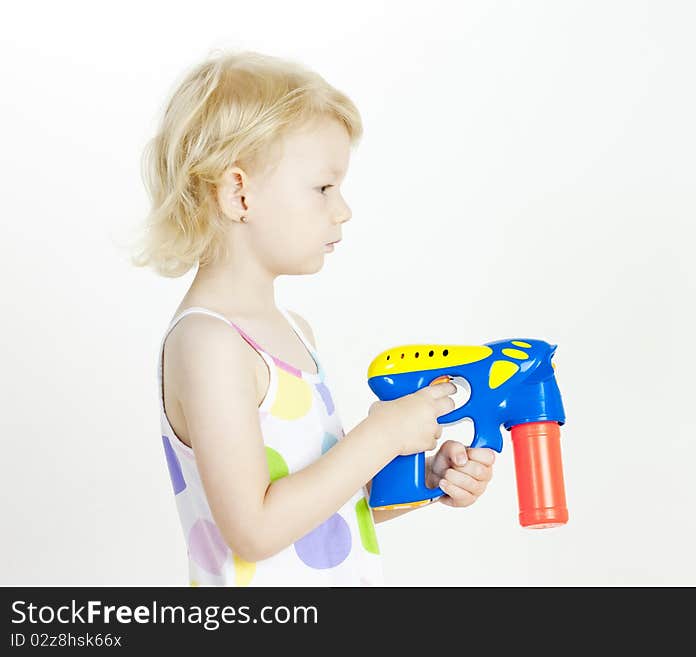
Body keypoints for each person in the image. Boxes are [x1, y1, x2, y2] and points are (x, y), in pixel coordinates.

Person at [130, 50, 496, 586]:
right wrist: (379, 436)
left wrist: (418, 481)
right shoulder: (208, 343)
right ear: (239, 193)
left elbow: (324, 512)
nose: (343, 208)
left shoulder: (295, 330)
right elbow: (254, 531)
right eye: (323, 187)